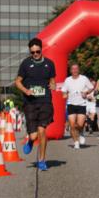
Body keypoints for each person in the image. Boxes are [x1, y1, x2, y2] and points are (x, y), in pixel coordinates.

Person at [15, 37, 56, 171]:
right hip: (30, 102)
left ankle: (42, 160)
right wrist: (26, 90)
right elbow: (17, 82)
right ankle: (31, 140)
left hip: (45, 101)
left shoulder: (49, 64)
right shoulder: (26, 64)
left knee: (42, 131)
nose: (35, 54)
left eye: (37, 52)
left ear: (41, 49)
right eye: (32, 52)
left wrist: (53, 85)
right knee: (34, 135)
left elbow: (52, 80)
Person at [60, 63, 93, 150]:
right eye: (73, 69)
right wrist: (64, 95)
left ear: (78, 70)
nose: (74, 70)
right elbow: (64, 90)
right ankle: (76, 142)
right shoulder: (68, 80)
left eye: (76, 69)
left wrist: (86, 92)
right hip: (71, 104)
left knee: (80, 125)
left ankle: (81, 132)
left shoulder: (84, 78)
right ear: (70, 71)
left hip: (81, 104)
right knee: (72, 125)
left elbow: (91, 87)